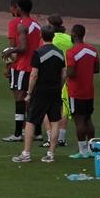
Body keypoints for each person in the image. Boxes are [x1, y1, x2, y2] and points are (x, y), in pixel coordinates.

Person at [12, 26, 66, 164]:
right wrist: (59, 86)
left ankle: (26, 153)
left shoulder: (39, 52)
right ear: (53, 36)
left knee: (30, 121)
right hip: (55, 90)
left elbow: (34, 75)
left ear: (41, 35)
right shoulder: (60, 53)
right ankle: (51, 154)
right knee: (55, 122)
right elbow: (63, 73)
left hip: (41, 90)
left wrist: (29, 93)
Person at [1, 0, 42, 143]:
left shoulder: (20, 25)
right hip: (35, 66)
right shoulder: (36, 25)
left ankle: (18, 134)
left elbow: (23, 48)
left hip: (23, 66)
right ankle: (37, 132)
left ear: (19, 8)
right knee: (31, 99)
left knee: (20, 98)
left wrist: (10, 51)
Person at [66, 24, 100, 159]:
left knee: (78, 120)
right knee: (88, 119)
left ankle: (83, 151)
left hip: (76, 91)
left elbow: (71, 73)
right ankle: (92, 149)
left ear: (74, 34)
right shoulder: (92, 49)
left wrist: (65, 73)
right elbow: (97, 69)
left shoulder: (72, 52)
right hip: (89, 90)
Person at [42, 14, 73, 148]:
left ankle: (50, 138)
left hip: (52, 75)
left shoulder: (50, 39)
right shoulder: (69, 38)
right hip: (69, 74)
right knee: (64, 107)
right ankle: (61, 138)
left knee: (46, 106)